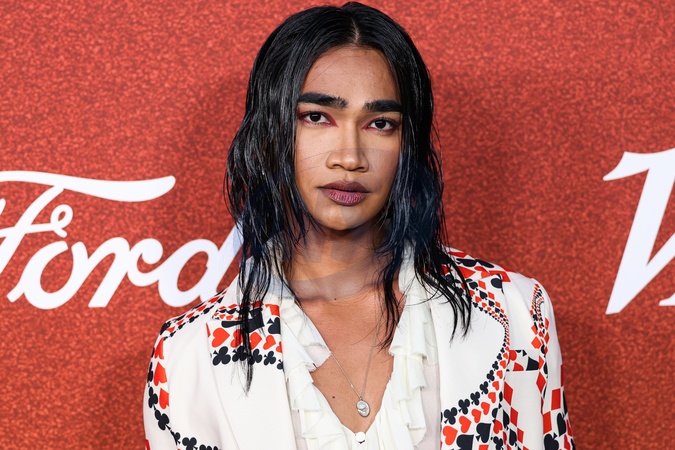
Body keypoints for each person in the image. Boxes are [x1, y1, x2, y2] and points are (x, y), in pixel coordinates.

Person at [143, 3, 575, 449]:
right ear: (270, 132)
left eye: (380, 124)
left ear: (407, 144)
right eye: (317, 117)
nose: (350, 157)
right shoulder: (186, 358)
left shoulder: (515, 313)